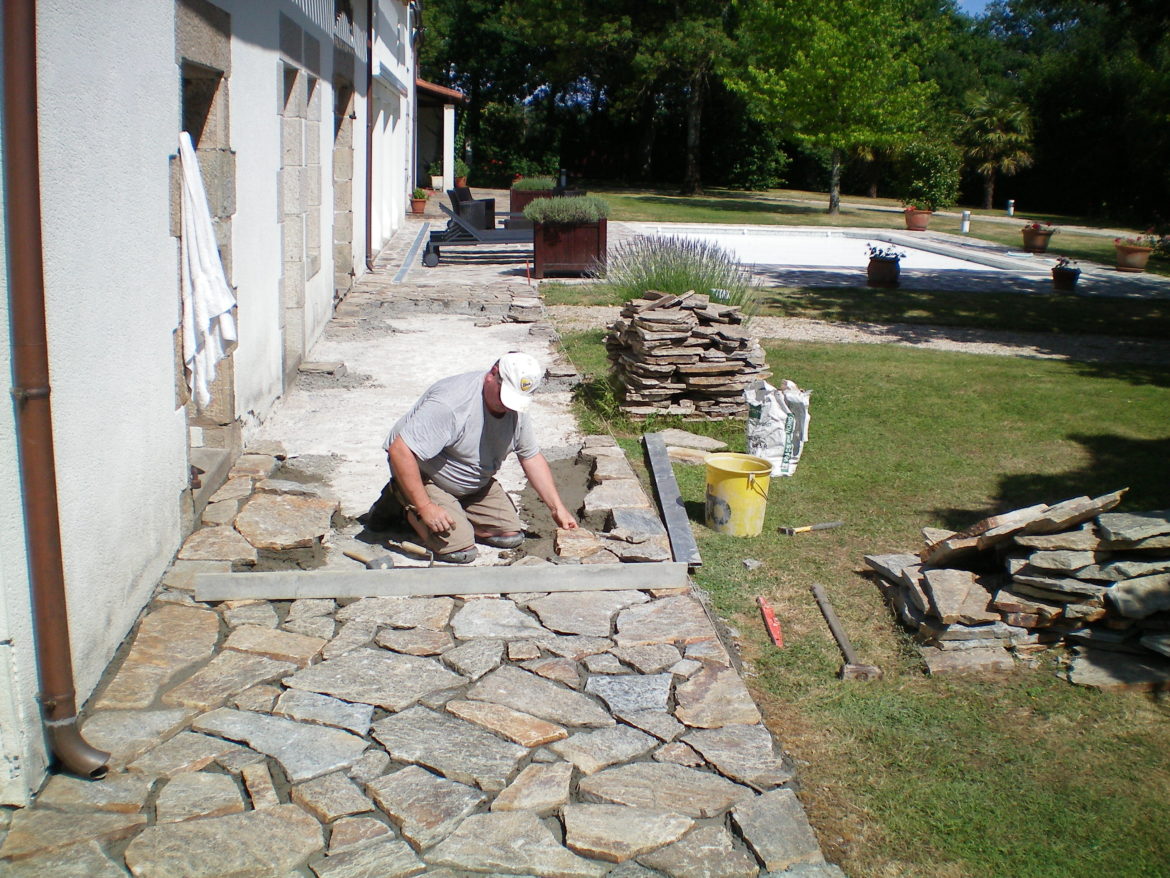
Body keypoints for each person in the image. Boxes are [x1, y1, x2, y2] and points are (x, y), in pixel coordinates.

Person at [361, 352, 578, 563]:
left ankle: (453, 509)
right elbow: (400, 451)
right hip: (427, 476)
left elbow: (530, 456)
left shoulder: (514, 406)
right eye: (505, 396)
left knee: (510, 536)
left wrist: (557, 508)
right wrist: (426, 507)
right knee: (461, 551)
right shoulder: (451, 404)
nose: (508, 405)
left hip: (473, 484)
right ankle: (401, 499)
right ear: (493, 374)